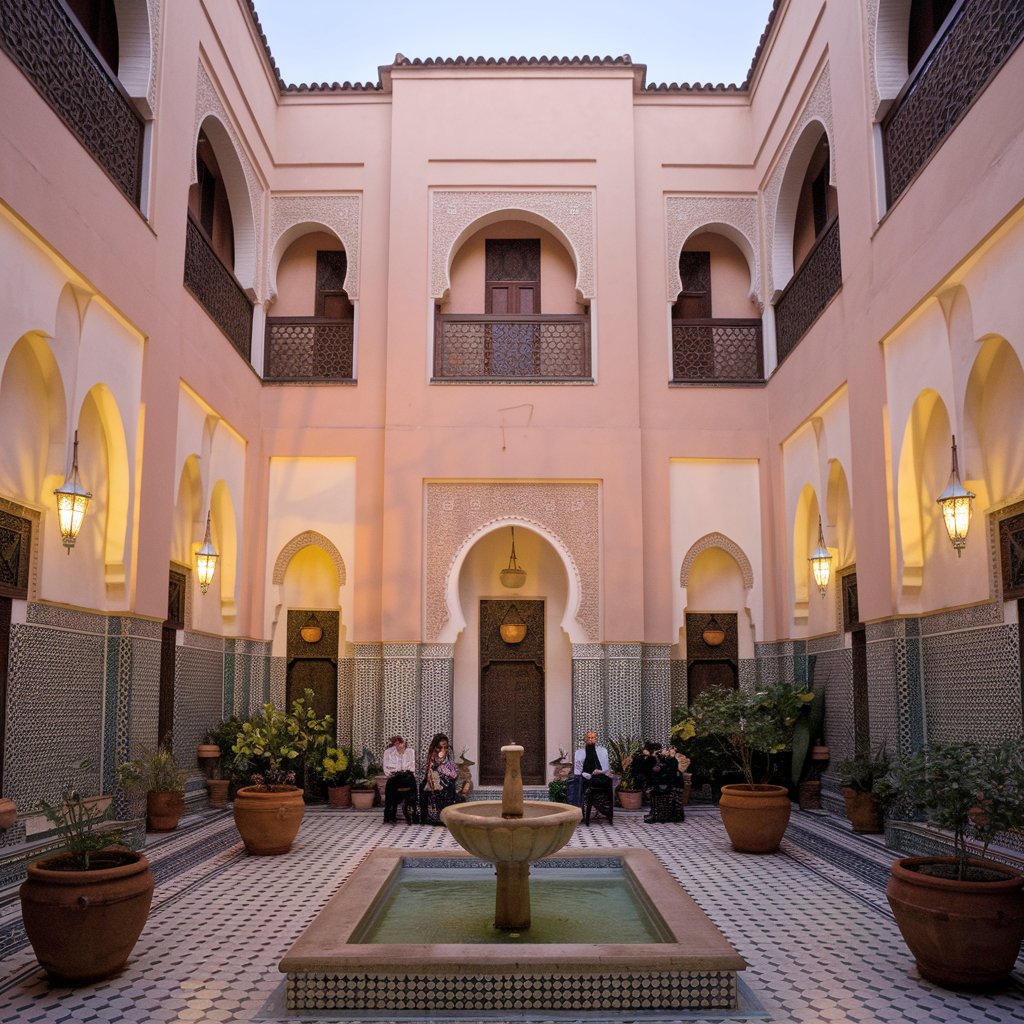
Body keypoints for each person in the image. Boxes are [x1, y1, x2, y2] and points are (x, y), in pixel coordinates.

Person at [572, 730, 614, 824]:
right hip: (586, 777)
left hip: (601, 776)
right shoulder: (579, 752)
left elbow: (606, 768)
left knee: (607, 781)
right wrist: (585, 775)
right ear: (585, 739)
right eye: (588, 738)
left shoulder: (603, 751)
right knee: (577, 783)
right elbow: (577, 770)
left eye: (593, 738)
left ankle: (607, 811)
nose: (590, 740)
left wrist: (600, 771)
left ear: (596, 739)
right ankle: (579, 813)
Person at [420, 732, 458, 825]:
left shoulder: (448, 756)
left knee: (450, 787)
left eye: (445, 747)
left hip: (446, 779)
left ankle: (447, 817)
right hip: (433, 779)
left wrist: (448, 773)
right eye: (441, 747)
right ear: (436, 747)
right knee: (423, 788)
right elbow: (430, 770)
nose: (443, 750)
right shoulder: (432, 756)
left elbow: (453, 773)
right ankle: (431, 817)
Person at [644, 746, 688, 823]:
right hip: (667, 781)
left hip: (673, 783)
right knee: (655, 791)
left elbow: (671, 771)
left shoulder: (674, 760)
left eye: (670, 751)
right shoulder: (665, 759)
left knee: (660, 793)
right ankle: (657, 814)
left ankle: (661, 815)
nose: (667, 751)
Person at [382, 735, 417, 824]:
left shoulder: (410, 752)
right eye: (396, 744)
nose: (399, 746)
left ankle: (414, 813)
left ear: (405, 743)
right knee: (391, 783)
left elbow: (411, 768)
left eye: (401, 743)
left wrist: (401, 769)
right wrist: (398, 770)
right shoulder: (388, 752)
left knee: (410, 780)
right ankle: (390, 814)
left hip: (407, 776)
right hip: (395, 777)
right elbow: (387, 769)